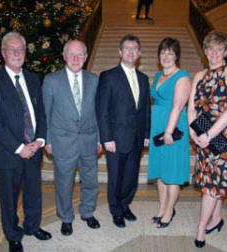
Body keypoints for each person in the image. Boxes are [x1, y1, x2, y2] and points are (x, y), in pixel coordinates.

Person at [0, 32, 51, 252]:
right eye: (12, 49)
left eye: (20, 49)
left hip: (34, 148)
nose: (17, 53)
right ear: (3, 53)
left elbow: (40, 113)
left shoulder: (32, 78)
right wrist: (20, 147)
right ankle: (12, 235)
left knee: (33, 192)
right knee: (9, 198)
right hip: (9, 152)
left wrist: (39, 140)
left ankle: (32, 226)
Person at [188, 30, 227, 248]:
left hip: (224, 135)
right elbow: (192, 108)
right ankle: (216, 219)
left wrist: (209, 135)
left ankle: (201, 228)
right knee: (212, 180)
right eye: (210, 48)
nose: (214, 53)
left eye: (219, 48)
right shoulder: (199, 76)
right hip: (203, 131)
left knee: (212, 184)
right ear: (205, 51)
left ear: (226, 51)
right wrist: (194, 133)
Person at [42, 40, 101, 236]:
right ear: (64, 56)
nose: (76, 59)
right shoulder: (51, 80)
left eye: (80, 55)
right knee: (64, 183)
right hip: (62, 141)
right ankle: (66, 217)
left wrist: (100, 138)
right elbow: (46, 113)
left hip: (89, 140)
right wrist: (48, 140)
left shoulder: (94, 80)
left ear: (85, 57)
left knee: (91, 180)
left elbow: (99, 113)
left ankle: (87, 212)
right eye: (72, 54)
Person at [96, 34, 150, 228]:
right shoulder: (108, 76)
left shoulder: (144, 79)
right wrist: (106, 137)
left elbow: (145, 110)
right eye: (126, 48)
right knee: (116, 177)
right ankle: (116, 210)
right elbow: (101, 110)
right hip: (116, 139)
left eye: (134, 48)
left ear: (139, 53)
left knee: (131, 177)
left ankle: (125, 205)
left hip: (136, 138)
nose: (130, 52)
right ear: (120, 52)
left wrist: (146, 135)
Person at [148, 37, 191, 228]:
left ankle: (169, 211)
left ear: (177, 56)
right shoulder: (158, 75)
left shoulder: (182, 77)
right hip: (157, 127)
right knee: (160, 170)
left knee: (172, 173)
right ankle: (162, 206)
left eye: (171, 53)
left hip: (173, 130)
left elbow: (178, 106)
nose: (166, 56)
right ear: (159, 55)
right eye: (163, 52)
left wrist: (168, 132)